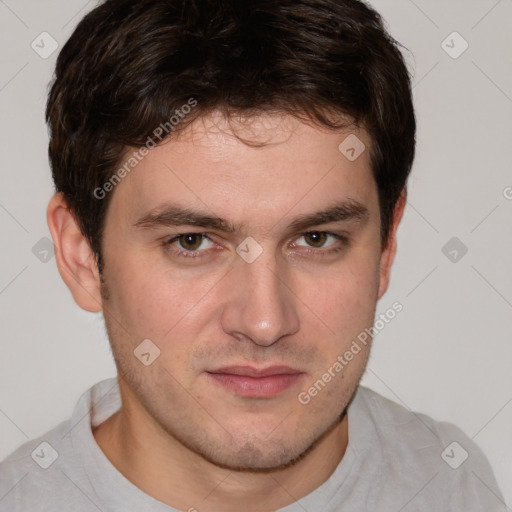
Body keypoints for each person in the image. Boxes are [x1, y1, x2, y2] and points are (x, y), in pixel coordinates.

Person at [0, 0, 506, 510]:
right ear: (82, 256)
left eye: (317, 239)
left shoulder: (453, 483)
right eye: (192, 242)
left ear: (386, 246)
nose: (265, 323)